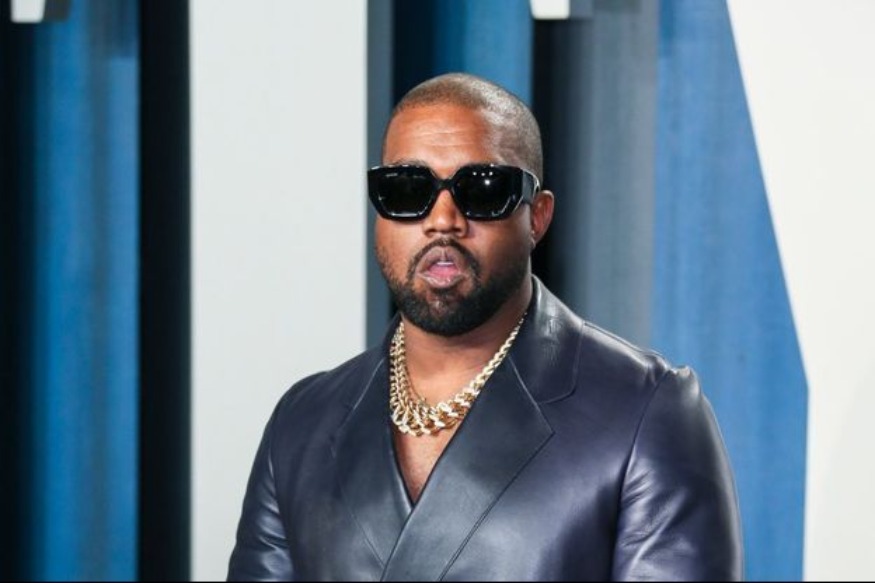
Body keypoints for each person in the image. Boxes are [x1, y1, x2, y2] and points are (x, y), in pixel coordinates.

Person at [228, 73, 743, 581]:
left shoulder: (645, 412)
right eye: (406, 189)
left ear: (537, 217)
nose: (443, 220)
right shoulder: (302, 422)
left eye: (483, 189)